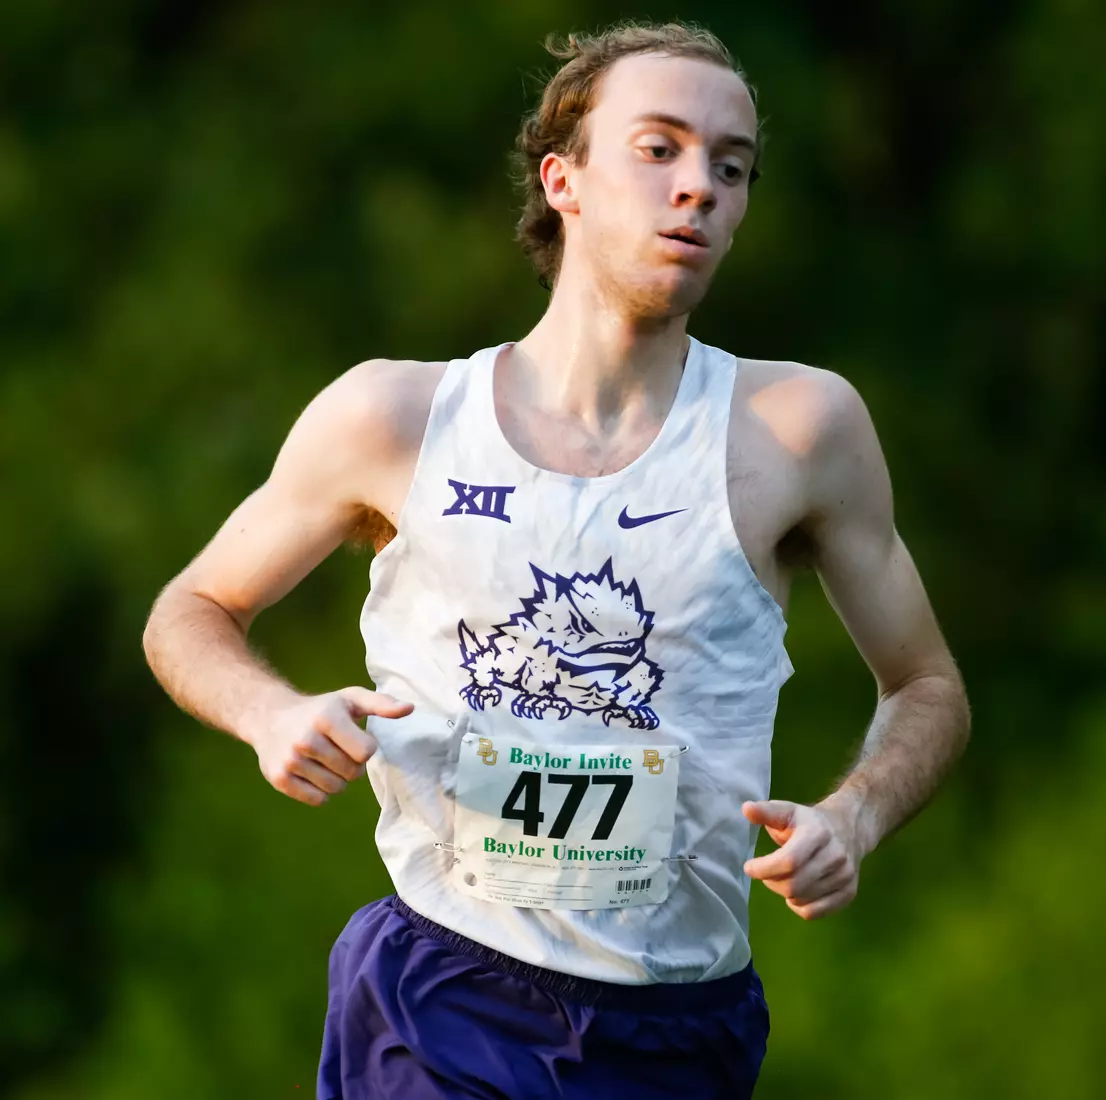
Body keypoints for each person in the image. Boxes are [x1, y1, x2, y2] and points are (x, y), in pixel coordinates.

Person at [142, 20, 970, 1100]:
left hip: (682, 1025)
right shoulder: (393, 416)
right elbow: (192, 607)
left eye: (732, 166)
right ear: (563, 179)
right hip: (443, 991)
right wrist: (269, 713)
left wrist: (850, 818)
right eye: (659, 147)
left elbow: (929, 685)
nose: (699, 188)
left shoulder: (799, 427)